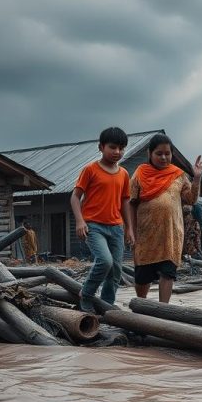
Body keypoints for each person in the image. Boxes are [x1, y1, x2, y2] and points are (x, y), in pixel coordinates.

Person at [129, 135, 202, 303]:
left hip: (171, 234)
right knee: (143, 276)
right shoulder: (140, 173)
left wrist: (197, 178)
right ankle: (140, 308)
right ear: (150, 153)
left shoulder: (178, 175)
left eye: (167, 153)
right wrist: (129, 230)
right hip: (145, 235)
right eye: (159, 153)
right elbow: (131, 203)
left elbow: (191, 199)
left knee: (168, 272)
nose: (164, 157)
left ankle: (163, 311)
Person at [70, 127, 134, 312]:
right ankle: (87, 294)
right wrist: (80, 221)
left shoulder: (123, 174)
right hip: (93, 225)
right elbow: (75, 197)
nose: (117, 152)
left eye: (121, 148)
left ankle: (106, 305)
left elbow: (125, 202)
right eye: (112, 147)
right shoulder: (90, 169)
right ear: (101, 147)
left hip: (116, 227)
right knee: (104, 261)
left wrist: (129, 228)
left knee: (115, 270)